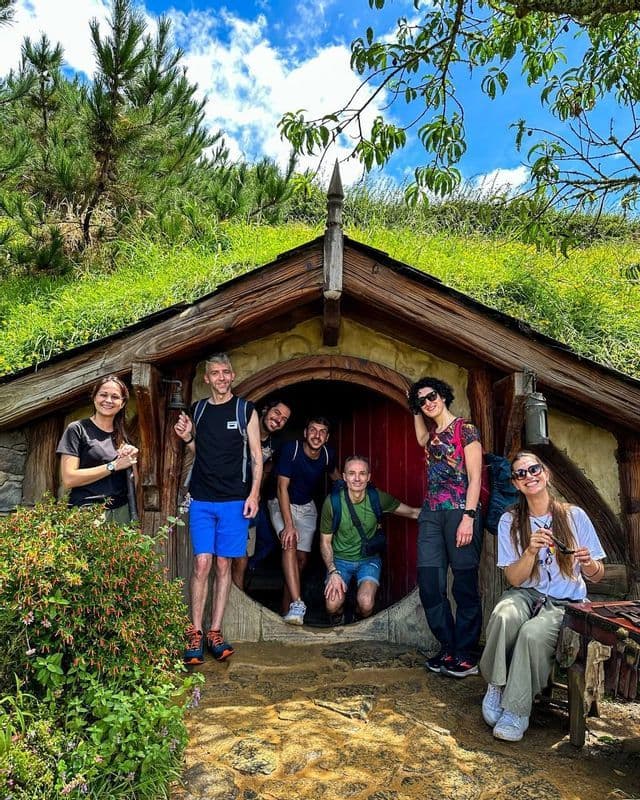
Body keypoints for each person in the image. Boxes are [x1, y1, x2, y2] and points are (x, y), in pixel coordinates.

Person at [479, 451, 606, 742]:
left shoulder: (574, 516)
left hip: (566, 603)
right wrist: (531, 551)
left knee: (532, 634)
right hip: (527, 593)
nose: (529, 476)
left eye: (533, 469)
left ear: (545, 474)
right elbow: (513, 579)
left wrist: (588, 564)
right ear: (515, 483)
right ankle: (497, 685)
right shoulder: (510, 521)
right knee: (503, 614)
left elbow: (598, 574)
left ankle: (516, 708)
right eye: (520, 473)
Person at [174, 353, 262, 665]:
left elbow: (255, 456)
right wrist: (187, 439)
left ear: (233, 375)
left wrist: (253, 494)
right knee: (201, 563)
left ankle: (215, 631)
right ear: (207, 379)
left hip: (234, 500)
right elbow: (199, 450)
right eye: (215, 373)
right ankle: (195, 632)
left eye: (226, 372)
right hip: (201, 498)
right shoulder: (198, 409)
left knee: (224, 565)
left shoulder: (245, 410)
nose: (222, 377)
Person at [408, 376, 483, 678]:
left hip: (459, 512)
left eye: (432, 396)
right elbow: (420, 440)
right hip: (431, 513)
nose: (429, 402)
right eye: (422, 400)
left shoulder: (466, 429)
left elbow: (475, 478)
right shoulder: (432, 434)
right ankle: (448, 645)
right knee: (429, 584)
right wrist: (413, 407)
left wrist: (469, 516)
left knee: (463, 585)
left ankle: (466, 653)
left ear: (444, 394)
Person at [320, 455, 420, 622]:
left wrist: (445, 513)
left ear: (368, 477)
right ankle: (339, 618)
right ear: (344, 477)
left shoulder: (377, 498)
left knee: (366, 604)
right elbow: (325, 542)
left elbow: (412, 512)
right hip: (339, 560)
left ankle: (357, 621)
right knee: (332, 604)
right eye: (352, 473)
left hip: (368, 560)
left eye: (362, 473)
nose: (357, 478)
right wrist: (332, 571)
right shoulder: (333, 503)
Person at [268, 416, 341, 625]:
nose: (317, 435)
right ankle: (298, 603)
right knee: (289, 543)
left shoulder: (328, 455)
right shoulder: (292, 450)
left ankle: (287, 610)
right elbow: (282, 487)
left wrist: (355, 488)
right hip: (282, 502)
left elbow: (334, 475)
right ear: (305, 433)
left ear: (327, 437)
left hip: (307, 506)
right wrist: (289, 526)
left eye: (322, 432)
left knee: (300, 561)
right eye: (313, 430)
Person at [57, 375, 138, 524]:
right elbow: (69, 478)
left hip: (121, 513)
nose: (108, 400)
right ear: (94, 398)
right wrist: (113, 465)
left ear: (122, 403)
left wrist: (131, 459)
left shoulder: (123, 435)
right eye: (103, 395)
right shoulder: (77, 429)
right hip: (87, 512)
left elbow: (134, 482)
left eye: (115, 397)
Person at [232, 398, 291, 590]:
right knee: (237, 545)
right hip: (232, 496)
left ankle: (250, 568)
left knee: (268, 541)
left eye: (284, 419)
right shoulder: (242, 431)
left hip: (254, 499)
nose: (278, 420)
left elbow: (268, 466)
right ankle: (238, 578)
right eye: (276, 413)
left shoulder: (276, 443)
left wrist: (257, 491)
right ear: (265, 410)